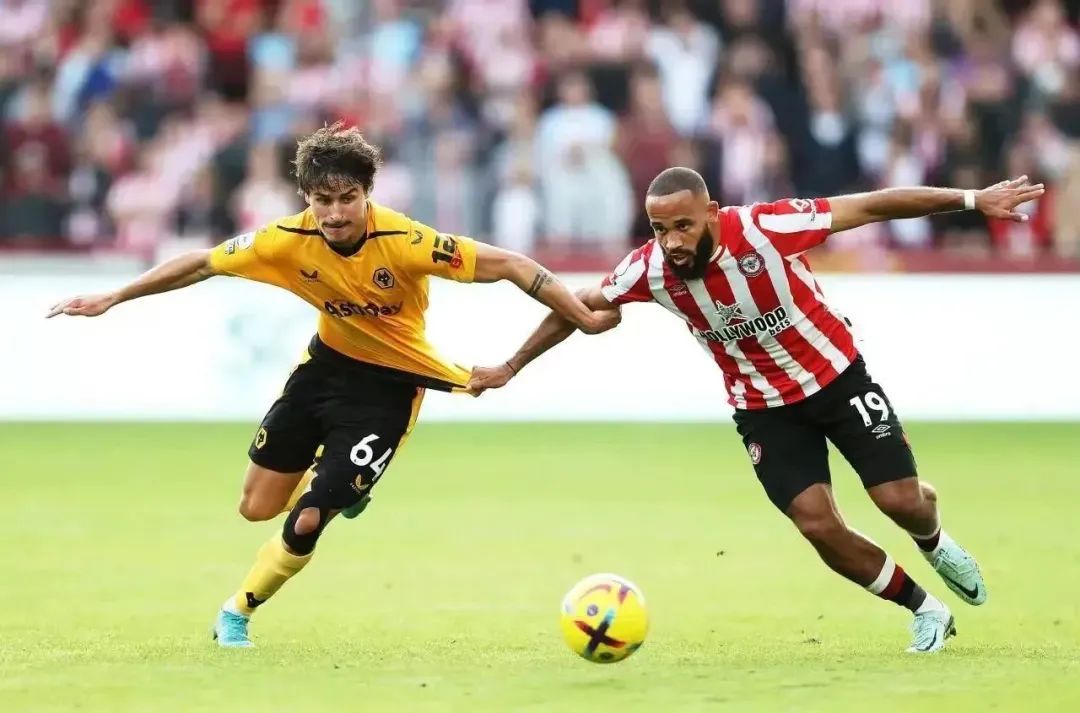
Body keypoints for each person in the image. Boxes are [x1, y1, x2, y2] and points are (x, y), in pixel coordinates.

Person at [46, 122, 619, 648]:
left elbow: (514, 264)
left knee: (308, 517)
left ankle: (237, 612)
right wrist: (114, 296)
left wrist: (583, 317)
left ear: (367, 194)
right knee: (255, 507)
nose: (336, 213)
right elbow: (200, 263)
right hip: (322, 372)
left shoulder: (406, 240)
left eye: (348, 198)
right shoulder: (283, 240)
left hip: (390, 388)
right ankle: (341, 484)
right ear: (306, 198)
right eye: (324, 200)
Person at [467, 167, 1046, 653]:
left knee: (900, 501)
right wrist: (512, 365)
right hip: (763, 408)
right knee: (817, 524)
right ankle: (925, 610)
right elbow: (578, 304)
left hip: (836, 378)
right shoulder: (649, 269)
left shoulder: (769, 227)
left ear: (712, 214)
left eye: (683, 226)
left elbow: (871, 205)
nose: (672, 241)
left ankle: (934, 541)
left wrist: (972, 199)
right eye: (660, 229)